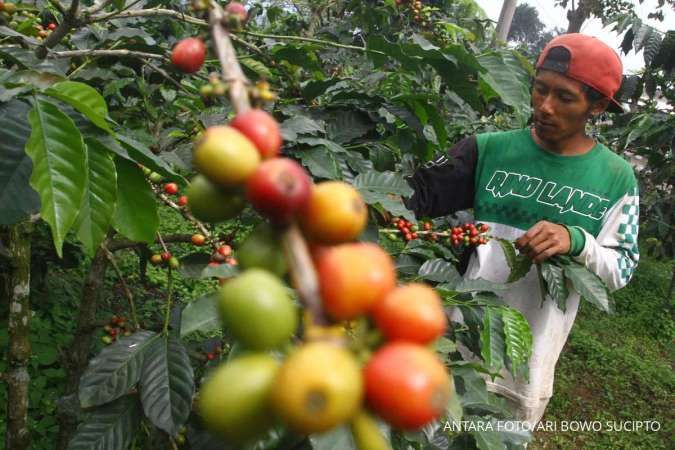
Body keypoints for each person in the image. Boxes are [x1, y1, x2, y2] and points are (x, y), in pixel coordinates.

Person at [404, 33, 639, 427]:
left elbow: (623, 267)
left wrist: (577, 240)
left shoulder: (617, 178)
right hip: (456, 349)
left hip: (527, 368)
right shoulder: (488, 150)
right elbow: (411, 198)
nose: (544, 107)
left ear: (596, 106)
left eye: (564, 97)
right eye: (540, 90)